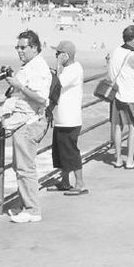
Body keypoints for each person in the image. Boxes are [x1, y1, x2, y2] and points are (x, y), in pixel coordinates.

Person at [0, 29, 52, 223]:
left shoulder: (38, 68)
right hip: (25, 121)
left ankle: (32, 210)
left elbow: (41, 98)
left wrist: (18, 86)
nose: (19, 51)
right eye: (17, 47)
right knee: (20, 165)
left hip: (30, 122)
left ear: (34, 47)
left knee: (25, 167)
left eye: (23, 47)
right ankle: (25, 204)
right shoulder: (30, 66)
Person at [50, 40, 87, 196]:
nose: (56, 56)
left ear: (65, 55)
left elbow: (58, 83)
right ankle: (65, 182)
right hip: (61, 118)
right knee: (60, 152)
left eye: (58, 54)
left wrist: (58, 66)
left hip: (70, 119)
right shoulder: (66, 69)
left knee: (70, 151)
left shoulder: (74, 69)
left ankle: (80, 184)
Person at [107, 25, 134, 169]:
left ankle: (118, 159)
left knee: (118, 127)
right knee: (133, 127)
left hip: (117, 95)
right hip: (130, 96)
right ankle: (129, 161)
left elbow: (111, 70)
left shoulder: (116, 51)